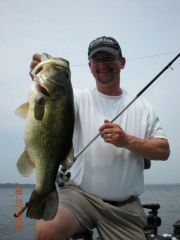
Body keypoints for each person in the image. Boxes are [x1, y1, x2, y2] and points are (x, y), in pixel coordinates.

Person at [30, 36, 170, 240]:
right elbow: (49, 96)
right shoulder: (75, 98)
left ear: (121, 63)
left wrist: (127, 141)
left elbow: (164, 150)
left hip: (124, 208)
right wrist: (38, 72)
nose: (102, 64)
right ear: (90, 66)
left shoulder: (143, 107)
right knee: (46, 230)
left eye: (108, 58)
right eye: (97, 60)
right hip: (79, 196)